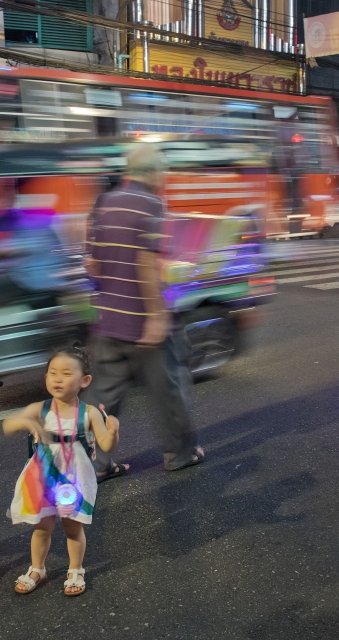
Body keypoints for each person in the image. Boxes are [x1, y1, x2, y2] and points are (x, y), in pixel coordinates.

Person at [84, 145, 204, 477]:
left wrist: (110, 297)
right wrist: (155, 316)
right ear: (152, 173)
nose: (164, 178)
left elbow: (92, 264)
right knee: (169, 391)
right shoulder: (152, 204)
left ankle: (96, 462)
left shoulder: (103, 203)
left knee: (103, 398)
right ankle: (179, 454)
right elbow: (147, 263)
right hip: (143, 324)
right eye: (162, 172)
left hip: (108, 320)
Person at [3, 345, 120, 596]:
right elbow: (8, 424)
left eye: (67, 373)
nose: (58, 378)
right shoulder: (40, 408)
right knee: (41, 527)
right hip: (42, 476)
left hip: (74, 478)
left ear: (84, 380)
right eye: (53, 372)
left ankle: (75, 570)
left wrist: (113, 432)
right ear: (46, 377)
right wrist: (25, 421)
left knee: (72, 527)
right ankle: (38, 568)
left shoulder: (88, 413)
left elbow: (106, 444)